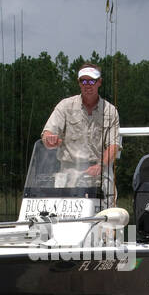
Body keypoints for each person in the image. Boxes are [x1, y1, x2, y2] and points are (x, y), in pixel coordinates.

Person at [41, 63, 120, 205]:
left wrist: (100, 165)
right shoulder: (65, 106)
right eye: (83, 81)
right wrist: (50, 139)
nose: (87, 85)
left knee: (107, 218)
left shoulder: (111, 111)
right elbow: (47, 133)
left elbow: (114, 145)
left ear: (99, 82)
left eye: (91, 81)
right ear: (79, 83)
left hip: (99, 171)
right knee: (61, 217)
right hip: (69, 172)